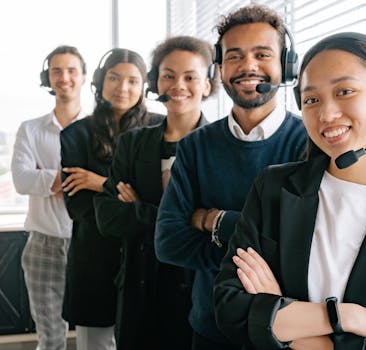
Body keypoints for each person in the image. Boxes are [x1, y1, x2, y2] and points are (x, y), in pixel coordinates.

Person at [214, 32, 366, 350]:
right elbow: (231, 308)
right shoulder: (274, 189)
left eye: (344, 91)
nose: (326, 114)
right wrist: (349, 317)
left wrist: (285, 319)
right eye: (311, 99)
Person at [154, 4, 307, 350]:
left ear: (285, 64)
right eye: (235, 56)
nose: (248, 66)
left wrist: (212, 220)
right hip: (210, 329)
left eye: (262, 54)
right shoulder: (194, 147)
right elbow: (168, 242)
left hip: (285, 331)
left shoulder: (310, 145)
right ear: (220, 69)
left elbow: (302, 250)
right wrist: (261, 248)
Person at [93, 36, 217, 350]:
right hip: (139, 287)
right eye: (168, 75)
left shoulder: (221, 145)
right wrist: (188, 218)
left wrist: (141, 209)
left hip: (198, 292)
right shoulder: (133, 143)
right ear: (155, 82)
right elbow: (108, 217)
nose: (179, 85)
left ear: (207, 85)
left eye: (190, 77)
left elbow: (220, 226)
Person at [60, 48, 163, 350]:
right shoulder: (76, 134)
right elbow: (78, 206)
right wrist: (130, 201)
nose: (123, 87)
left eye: (133, 80)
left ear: (144, 85)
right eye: (114, 78)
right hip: (94, 257)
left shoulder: (161, 128)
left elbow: (163, 204)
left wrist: (101, 183)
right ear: (100, 82)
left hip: (147, 257)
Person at [11, 45, 86, 350]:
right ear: (48, 76)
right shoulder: (30, 129)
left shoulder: (99, 128)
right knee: (51, 337)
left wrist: (47, 176)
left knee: (98, 334)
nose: (64, 77)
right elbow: (21, 179)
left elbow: (107, 182)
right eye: (56, 70)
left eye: (71, 70)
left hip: (91, 243)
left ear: (83, 77)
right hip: (43, 243)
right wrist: (75, 178)